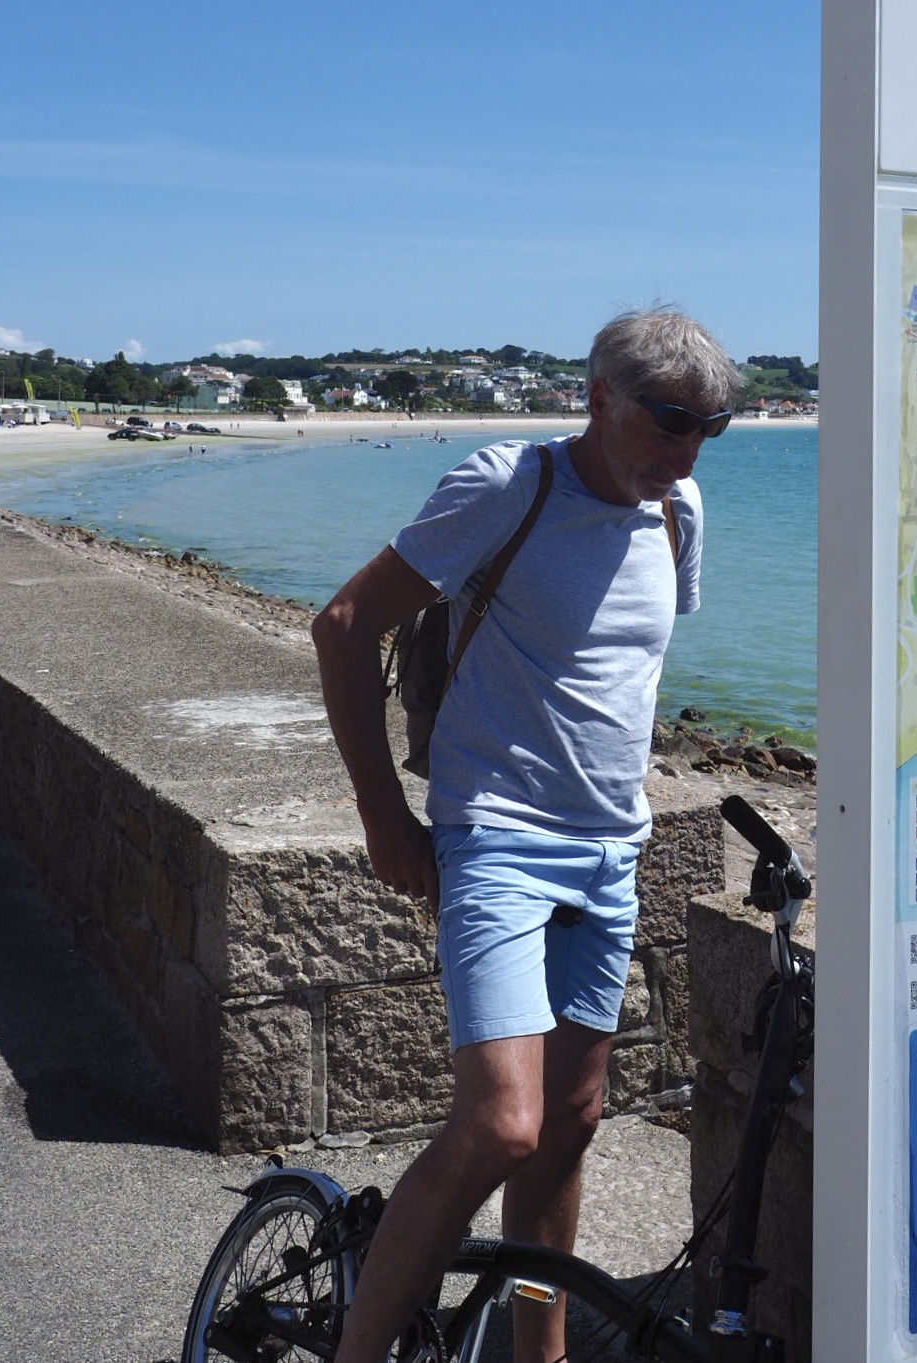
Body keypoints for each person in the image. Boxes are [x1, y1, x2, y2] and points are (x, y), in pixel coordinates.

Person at [312, 308, 741, 1363]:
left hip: (609, 851)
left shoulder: (678, 509)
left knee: (569, 1122)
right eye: (669, 419)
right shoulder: (510, 484)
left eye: (710, 426)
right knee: (502, 1122)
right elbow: (345, 624)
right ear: (598, 399)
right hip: (498, 836)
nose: (688, 447)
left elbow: (616, 674)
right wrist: (382, 812)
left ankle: (535, 1351)